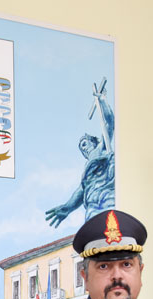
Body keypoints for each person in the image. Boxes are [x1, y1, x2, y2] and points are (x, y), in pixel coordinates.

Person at [45, 78, 116, 227]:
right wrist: (67, 208)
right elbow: (81, 189)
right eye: (81, 147)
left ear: (94, 141)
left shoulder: (102, 148)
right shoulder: (87, 170)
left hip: (108, 198)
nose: (83, 148)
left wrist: (103, 101)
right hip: (92, 207)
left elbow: (109, 123)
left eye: (85, 143)